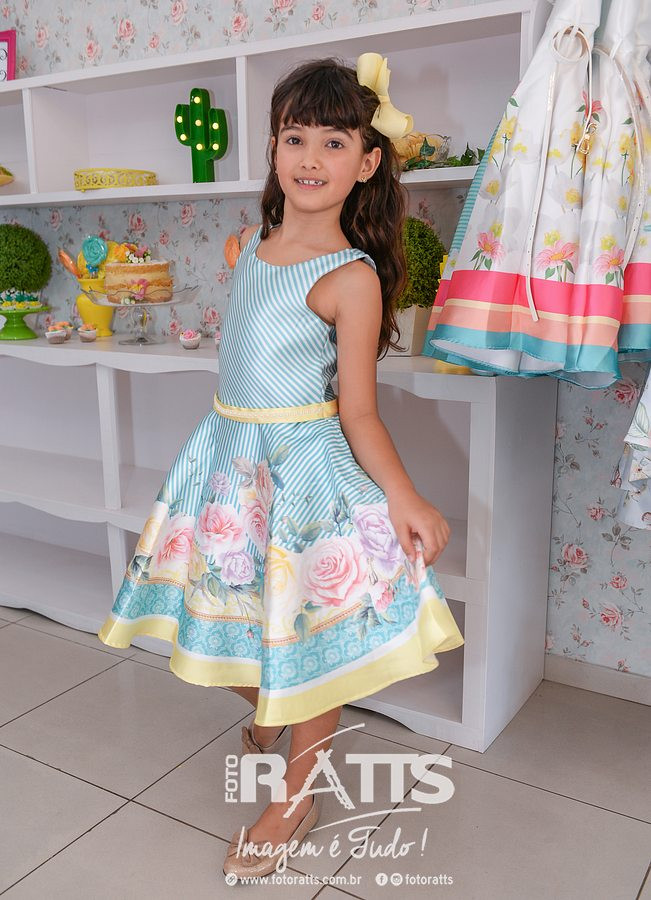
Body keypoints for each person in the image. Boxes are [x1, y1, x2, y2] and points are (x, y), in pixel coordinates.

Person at [97, 53, 465, 880]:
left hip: (301, 477)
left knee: (306, 645)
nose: (310, 157)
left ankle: (296, 798)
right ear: (271, 149)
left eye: (334, 142)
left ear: (366, 163)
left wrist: (403, 495)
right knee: (216, 619)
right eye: (295, 137)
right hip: (230, 465)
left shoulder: (350, 278)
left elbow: (358, 411)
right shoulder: (247, 246)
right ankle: (272, 712)